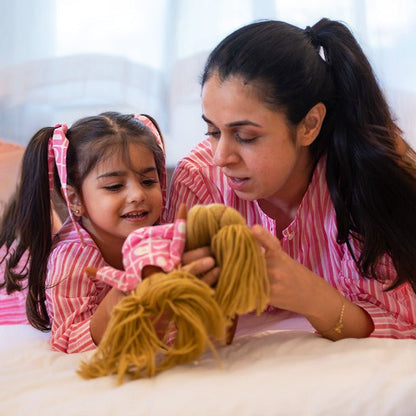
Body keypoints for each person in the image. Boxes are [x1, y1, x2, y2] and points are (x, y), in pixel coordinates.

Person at [167, 18, 416, 340]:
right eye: (212, 131)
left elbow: (404, 317)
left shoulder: (363, 181)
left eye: (245, 136)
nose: (220, 156)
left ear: (309, 125)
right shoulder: (198, 181)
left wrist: (309, 294)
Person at [0, 111, 218, 353]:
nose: (137, 195)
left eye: (148, 182)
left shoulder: (159, 235)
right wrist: (121, 300)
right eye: (114, 186)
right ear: (75, 199)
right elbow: (68, 339)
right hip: (12, 299)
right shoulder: (71, 258)